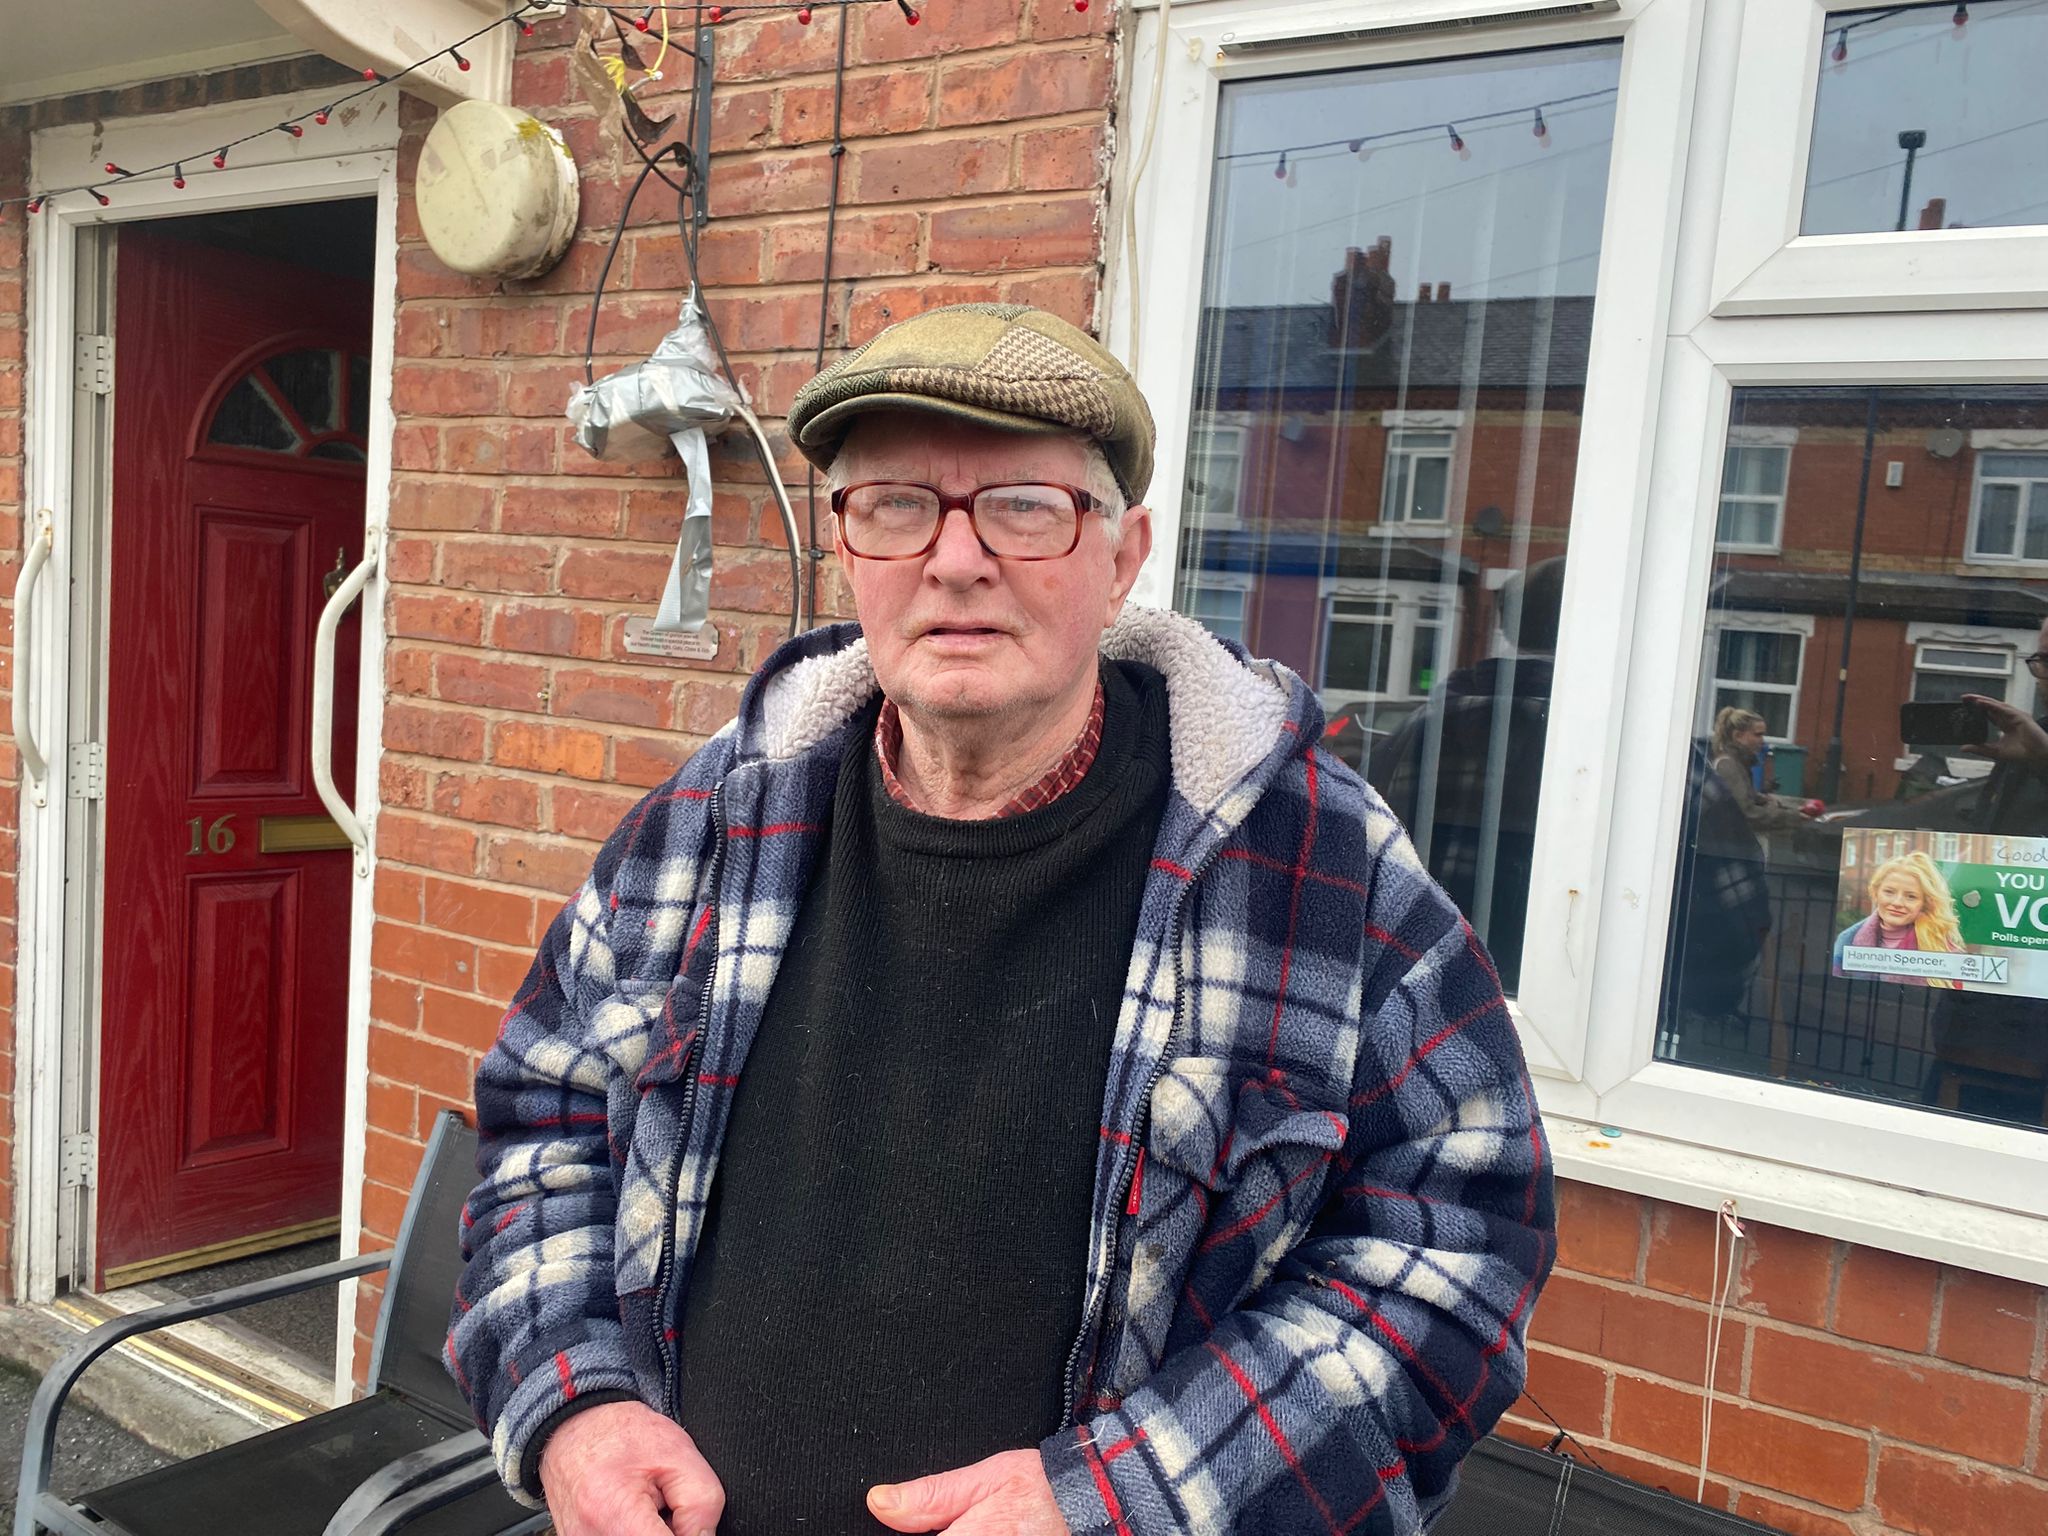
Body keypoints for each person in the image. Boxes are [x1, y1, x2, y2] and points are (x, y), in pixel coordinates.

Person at [446, 304, 1554, 1536]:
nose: (955, 559)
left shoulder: (1314, 863)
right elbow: (542, 1130)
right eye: (897, 503)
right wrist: (570, 1404)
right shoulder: (707, 819)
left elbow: (1458, 1255)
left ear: (1122, 552)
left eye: (1024, 505)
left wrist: (1124, 1500)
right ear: (847, 542)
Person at [1368, 556, 1564, 993]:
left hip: (1412, 993)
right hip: (1544, 1003)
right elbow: (1727, 930)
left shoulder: (1423, 728)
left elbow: (1353, 850)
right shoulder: (1628, 754)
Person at [1830, 850, 1967, 986]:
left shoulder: (1945, 949)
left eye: (1911, 896)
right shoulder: (1847, 940)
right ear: (1876, 892)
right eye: (1889, 892)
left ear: (1925, 903)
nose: (1897, 903)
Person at [1709, 707, 1819, 836]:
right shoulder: (1728, 765)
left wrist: (1782, 807)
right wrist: (1791, 817)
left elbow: (1747, 797)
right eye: (1757, 735)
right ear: (1738, 736)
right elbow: (1747, 812)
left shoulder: (1738, 763)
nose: (1762, 741)